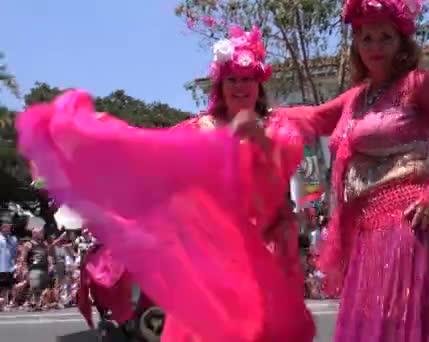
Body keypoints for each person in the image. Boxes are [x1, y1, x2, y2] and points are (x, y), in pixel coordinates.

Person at [16, 26, 314, 342]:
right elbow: (147, 155)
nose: (240, 87)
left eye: (247, 79)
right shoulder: (196, 129)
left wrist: (254, 139)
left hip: (263, 257)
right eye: (232, 79)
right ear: (220, 84)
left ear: (259, 83)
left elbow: (280, 170)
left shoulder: (279, 130)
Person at [278, 0, 429, 339]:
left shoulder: (417, 84)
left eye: (385, 37)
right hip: (366, 230)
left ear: (401, 42)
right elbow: (314, 118)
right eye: (366, 38)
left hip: (405, 224)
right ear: (356, 44)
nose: (375, 47)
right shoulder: (357, 97)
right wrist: (259, 113)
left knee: (399, 326)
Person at [0, 213, 18, 311]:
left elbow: (14, 253)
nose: (8, 229)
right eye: (6, 227)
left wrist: (14, 265)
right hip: (0, 266)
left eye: (9, 227)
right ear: (2, 227)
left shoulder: (12, 239)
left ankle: (4, 305)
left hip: (8, 267)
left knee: (6, 287)